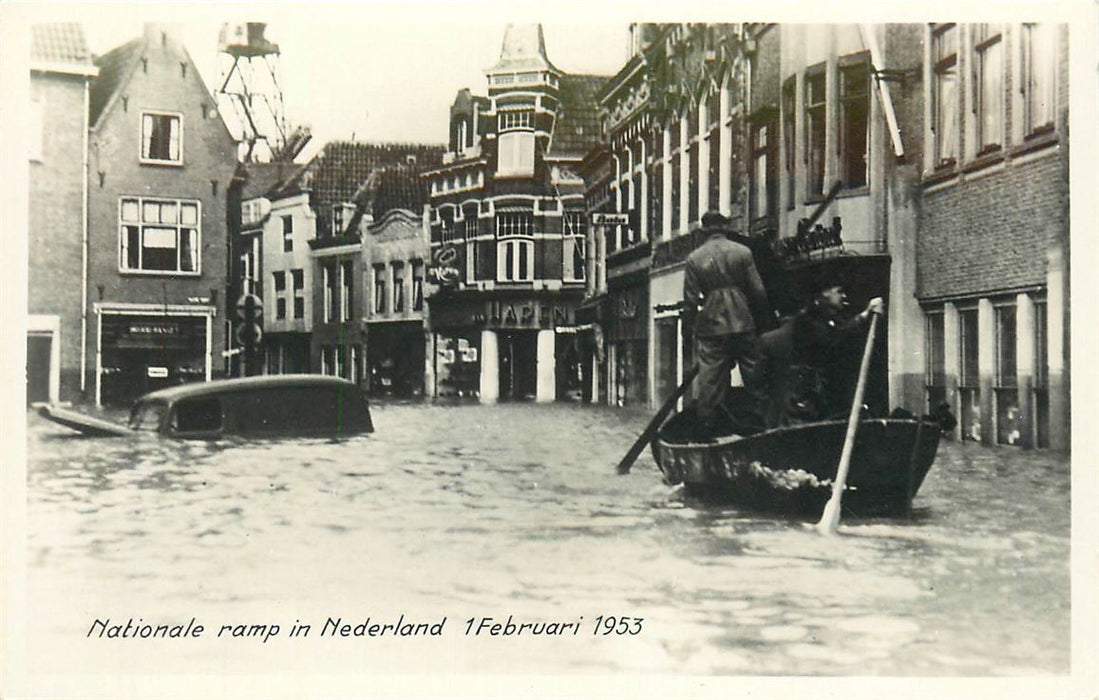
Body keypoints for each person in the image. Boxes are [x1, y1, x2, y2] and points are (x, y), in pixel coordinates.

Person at [683, 211, 772, 436]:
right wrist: (763, 322)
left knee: (710, 383)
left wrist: (687, 331)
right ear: (726, 228)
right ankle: (763, 429)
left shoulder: (695, 258)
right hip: (743, 322)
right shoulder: (743, 252)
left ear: (703, 231)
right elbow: (759, 292)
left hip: (712, 327)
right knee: (755, 379)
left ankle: (707, 433)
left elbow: (690, 302)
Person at [762, 283, 883, 426]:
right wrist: (863, 316)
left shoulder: (832, 319)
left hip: (822, 391)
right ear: (824, 293)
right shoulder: (806, 320)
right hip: (804, 394)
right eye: (839, 291)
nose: (844, 296)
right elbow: (831, 339)